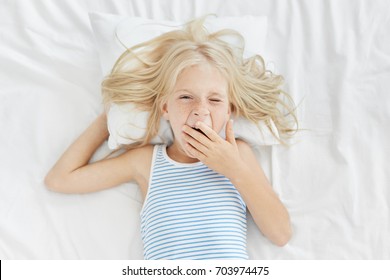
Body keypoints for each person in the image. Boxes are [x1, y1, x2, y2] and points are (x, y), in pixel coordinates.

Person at [45, 16, 298, 260]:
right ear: (165, 108)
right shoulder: (146, 162)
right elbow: (60, 180)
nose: (201, 109)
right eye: (186, 97)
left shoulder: (239, 154)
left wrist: (234, 169)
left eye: (215, 99)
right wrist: (110, 117)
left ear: (229, 110)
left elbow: (280, 234)